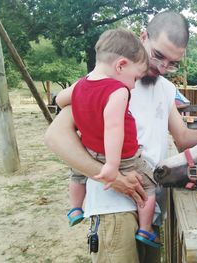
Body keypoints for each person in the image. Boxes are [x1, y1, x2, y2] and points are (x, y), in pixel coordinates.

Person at [45, 11, 197, 263]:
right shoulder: (105, 80)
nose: (162, 68)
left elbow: (182, 137)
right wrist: (112, 176)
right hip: (113, 206)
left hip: (150, 203)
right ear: (143, 37)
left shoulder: (166, 88)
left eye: (172, 63)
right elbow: (55, 136)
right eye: (158, 56)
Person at [55, 28, 160, 247]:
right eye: (135, 78)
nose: (133, 85)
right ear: (121, 65)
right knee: (150, 187)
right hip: (123, 157)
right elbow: (114, 128)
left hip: (90, 152)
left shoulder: (81, 85)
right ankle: (145, 229)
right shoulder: (118, 90)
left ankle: (75, 209)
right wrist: (112, 166)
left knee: (77, 175)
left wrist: (81, 99)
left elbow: (60, 100)